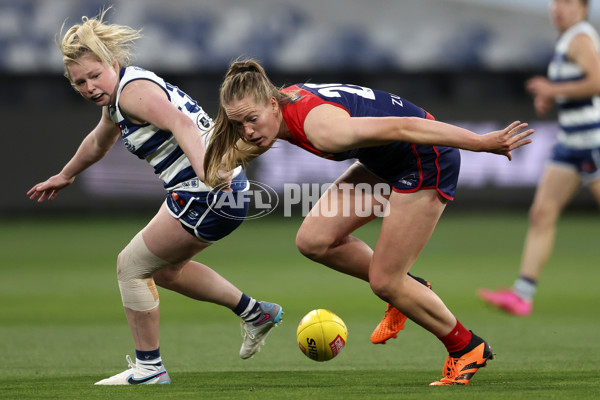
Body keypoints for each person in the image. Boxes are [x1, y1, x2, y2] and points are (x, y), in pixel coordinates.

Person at [203, 59, 534, 386]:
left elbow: (405, 127)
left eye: (252, 120)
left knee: (386, 282)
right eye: (238, 125)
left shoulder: (323, 129)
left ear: (273, 104)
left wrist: (480, 143)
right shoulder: (279, 107)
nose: (247, 130)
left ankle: (466, 347)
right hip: (385, 163)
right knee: (314, 240)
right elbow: (232, 149)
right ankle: (412, 289)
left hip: (425, 159)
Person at [26, 10, 282, 385]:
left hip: (205, 193)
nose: (90, 86)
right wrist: (66, 174)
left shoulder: (132, 93)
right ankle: (255, 313)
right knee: (163, 270)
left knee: (130, 267)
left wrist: (205, 172)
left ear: (113, 64)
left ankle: (149, 368)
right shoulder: (118, 97)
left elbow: (179, 122)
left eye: (95, 75)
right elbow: (99, 140)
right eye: (80, 82)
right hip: (211, 190)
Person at [478, 0, 600, 316]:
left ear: (583, 8)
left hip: (592, 142)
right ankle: (523, 294)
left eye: (567, 2)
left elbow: (597, 81)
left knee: (543, 214)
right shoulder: (569, 39)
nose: (557, 8)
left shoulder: (580, 38)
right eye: (554, 1)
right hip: (570, 142)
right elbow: (579, 86)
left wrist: (551, 86)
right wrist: (553, 93)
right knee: (541, 213)